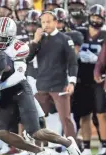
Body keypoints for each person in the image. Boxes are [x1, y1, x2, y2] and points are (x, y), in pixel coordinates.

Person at [0, 30, 82, 155]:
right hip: (5, 94)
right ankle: (38, 151)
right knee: (1, 132)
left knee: (35, 132)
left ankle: (68, 143)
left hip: (19, 91)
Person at [27, 11, 78, 144]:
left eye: (48, 21)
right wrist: (34, 41)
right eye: (43, 22)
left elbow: (73, 62)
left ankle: (73, 148)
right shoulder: (39, 39)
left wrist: (72, 82)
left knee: (65, 119)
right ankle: (38, 148)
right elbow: (27, 58)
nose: (45, 24)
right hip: (42, 84)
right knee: (37, 119)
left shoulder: (65, 39)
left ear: (56, 22)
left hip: (59, 85)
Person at [75, 4, 106, 155]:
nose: (95, 19)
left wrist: (101, 62)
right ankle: (87, 146)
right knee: (84, 114)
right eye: (93, 16)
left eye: (98, 17)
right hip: (82, 79)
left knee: (101, 113)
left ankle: (105, 144)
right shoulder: (80, 32)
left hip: (99, 80)